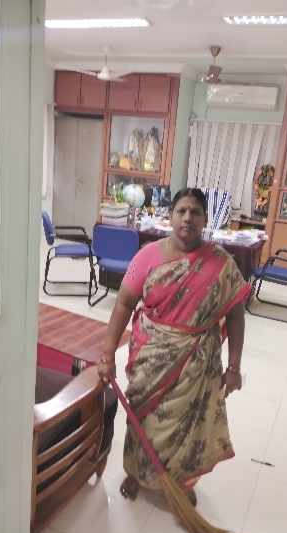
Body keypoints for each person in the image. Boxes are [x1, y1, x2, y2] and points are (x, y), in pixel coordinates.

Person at [98, 188, 251, 506]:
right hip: (151, 358)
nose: (187, 218)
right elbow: (124, 303)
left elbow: (236, 315)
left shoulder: (222, 263)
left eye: (195, 212)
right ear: (171, 216)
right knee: (142, 419)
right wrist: (107, 354)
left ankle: (181, 481)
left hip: (198, 364)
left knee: (189, 427)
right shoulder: (147, 256)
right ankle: (137, 473)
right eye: (181, 211)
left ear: (205, 219)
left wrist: (234, 367)